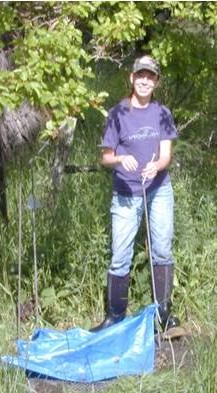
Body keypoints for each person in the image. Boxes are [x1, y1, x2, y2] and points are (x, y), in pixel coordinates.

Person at [91, 55, 180, 333]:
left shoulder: (162, 113)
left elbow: (166, 154)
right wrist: (120, 160)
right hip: (126, 193)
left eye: (150, 76)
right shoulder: (118, 113)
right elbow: (106, 157)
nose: (145, 80)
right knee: (120, 254)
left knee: (162, 249)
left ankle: (163, 314)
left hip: (159, 190)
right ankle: (114, 318)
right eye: (140, 75)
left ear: (156, 82)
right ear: (132, 78)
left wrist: (156, 166)